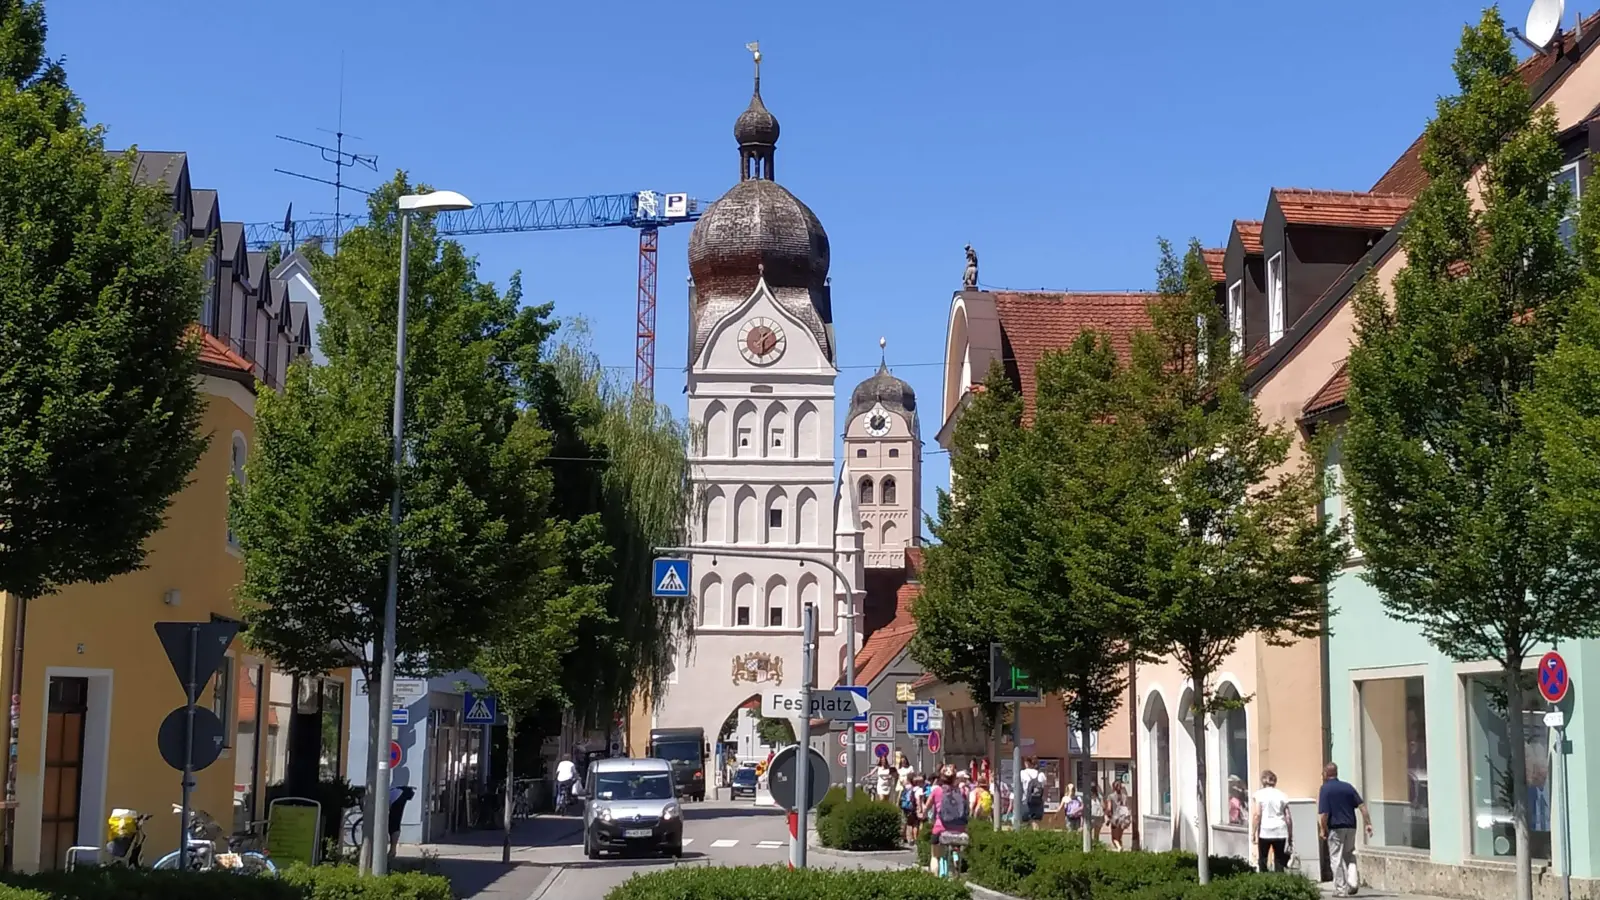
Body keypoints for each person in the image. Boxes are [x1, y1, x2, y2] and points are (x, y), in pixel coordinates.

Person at [1318, 762, 1372, 896]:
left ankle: (1340, 889)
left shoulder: (1325, 789)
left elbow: (1324, 814)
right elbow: (1362, 806)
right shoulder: (1348, 787)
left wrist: (1323, 829)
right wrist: (1368, 823)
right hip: (1351, 826)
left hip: (1335, 828)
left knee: (1336, 858)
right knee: (1349, 854)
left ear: (1326, 773)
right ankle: (1353, 883)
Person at [929, 765, 970, 876]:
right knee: (956, 846)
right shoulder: (961, 792)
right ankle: (956, 864)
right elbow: (967, 809)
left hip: (940, 828)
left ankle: (935, 879)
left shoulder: (937, 791)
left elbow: (925, 809)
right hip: (959, 828)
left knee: (935, 856)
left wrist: (922, 814)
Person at [1252, 770, 1293, 872]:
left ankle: (1264, 883)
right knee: (1279, 860)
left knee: (1263, 859)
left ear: (1263, 781)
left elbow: (1257, 815)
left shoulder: (1259, 795)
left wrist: (1253, 832)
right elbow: (1288, 817)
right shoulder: (1282, 795)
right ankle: (1279, 882)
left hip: (1265, 831)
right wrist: (1290, 835)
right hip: (1280, 831)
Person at [1106, 780, 1132, 850]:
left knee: (1114, 838)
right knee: (1119, 837)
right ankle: (1120, 850)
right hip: (1123, 819)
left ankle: (1119, 847)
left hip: (1115, 819)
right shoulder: (1124, 796)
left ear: (1113, 787)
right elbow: (1127, 808)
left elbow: (1109, 809)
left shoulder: (1110, 796)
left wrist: (1108, 817)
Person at [1019, 757, 1045, 830]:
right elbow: (1043, 788)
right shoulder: (1041, 774)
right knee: (1036, 822)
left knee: (1025, 822)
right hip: (1038, 801)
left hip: (1026, 801)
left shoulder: (1022, 773)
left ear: (1026, 763)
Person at [899, 773, 924, 845]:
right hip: (914, 808)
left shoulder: (907, 787)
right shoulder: (919, 789)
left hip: (906, 807)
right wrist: (920, 809)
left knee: (908, 823)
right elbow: (919, 801)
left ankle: (909, 839)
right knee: (915, 824)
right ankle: (915, 839)